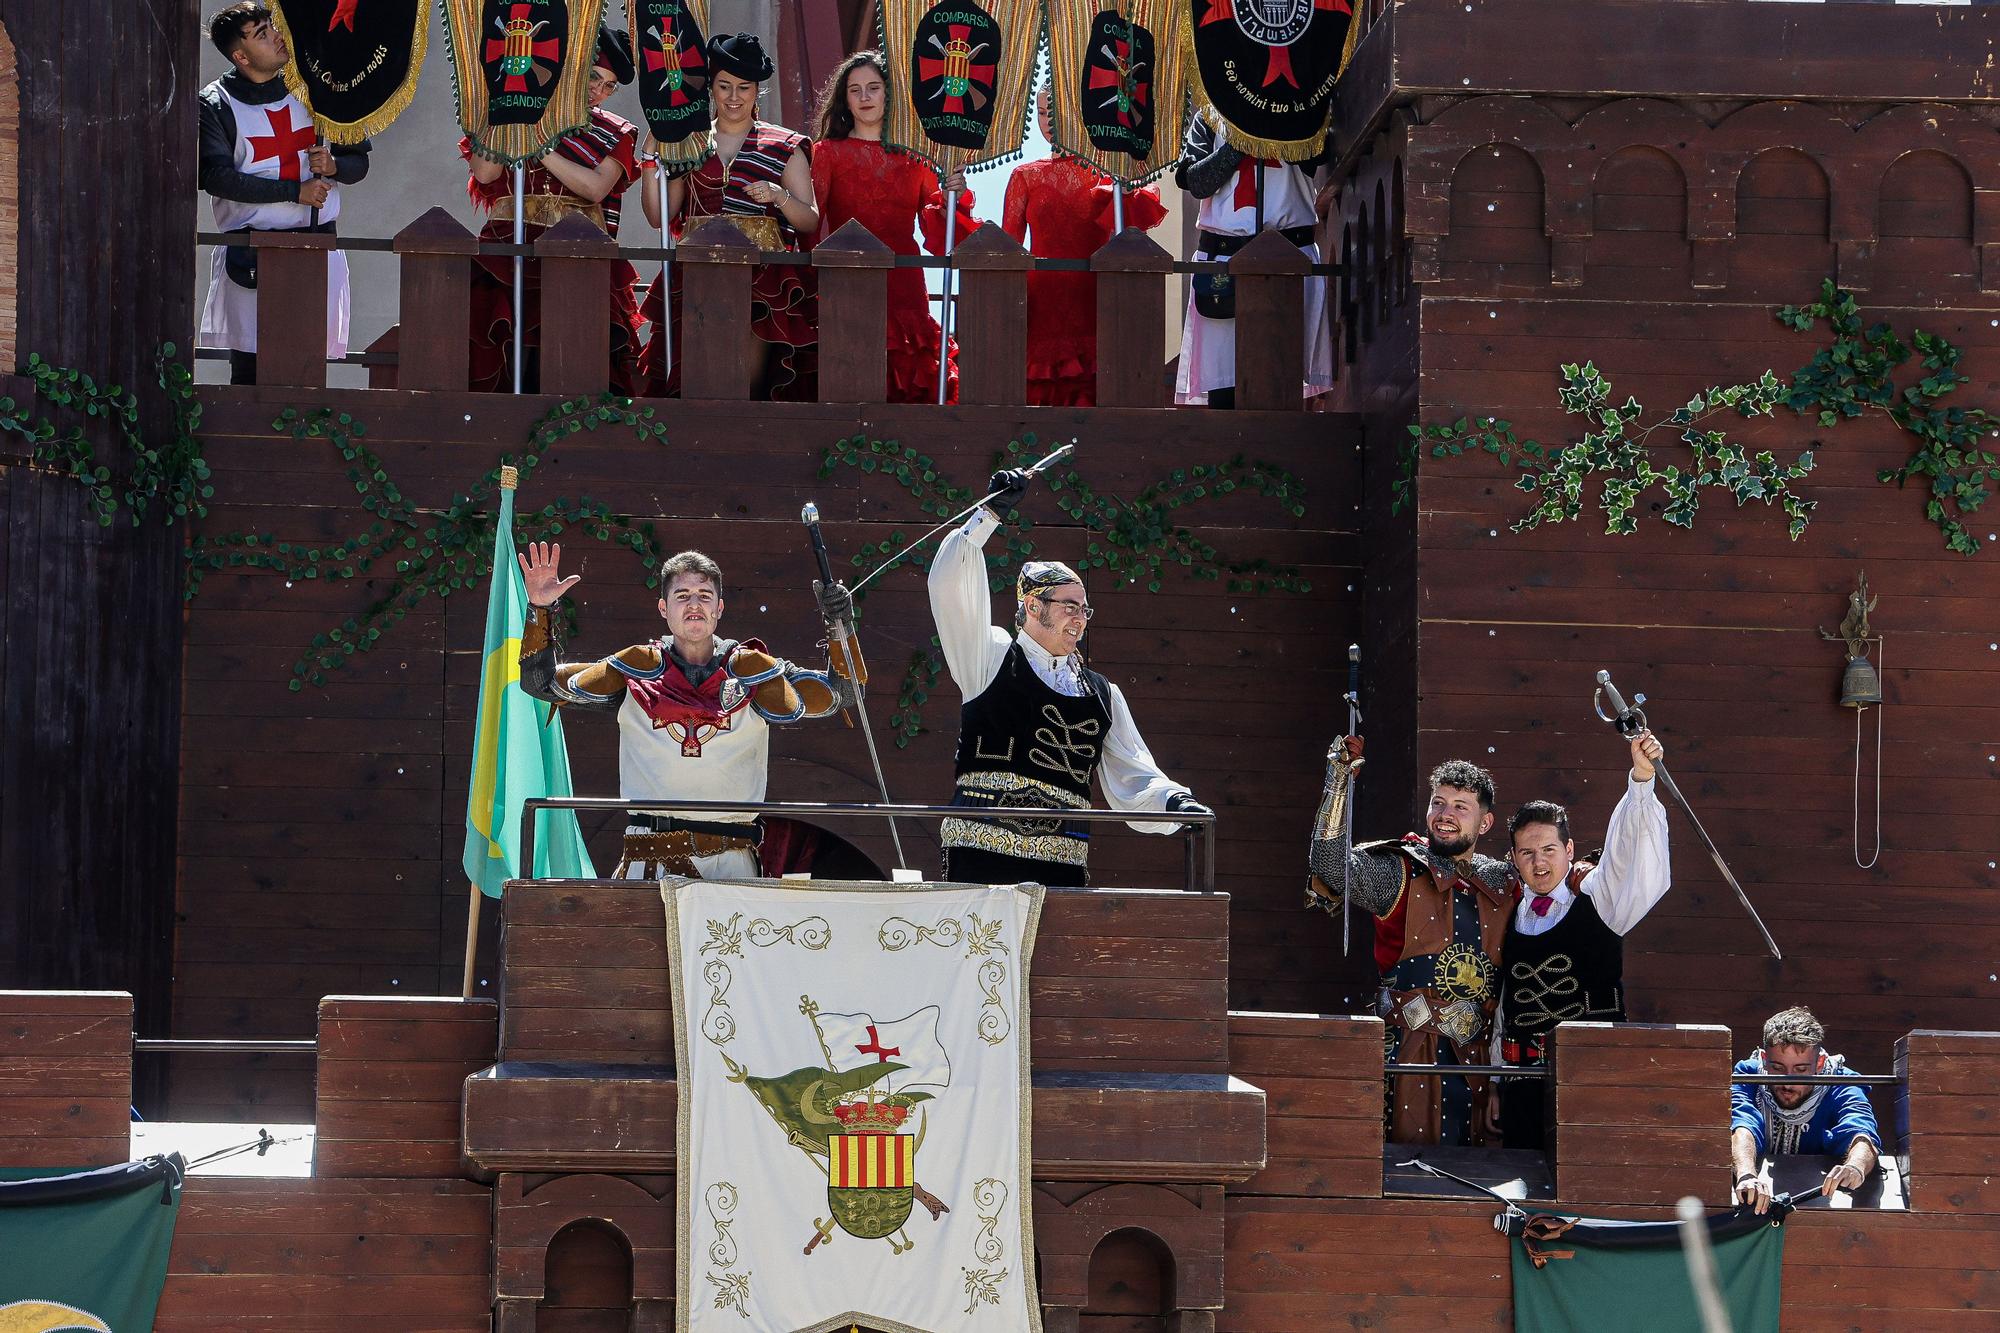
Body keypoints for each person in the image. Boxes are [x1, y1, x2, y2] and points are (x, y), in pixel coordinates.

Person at [927, 468, 1210, 887]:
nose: (1080, 618)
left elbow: (1134, 773)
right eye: (1069, 606)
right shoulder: (989, 656)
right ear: (1032, 605)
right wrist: (988, 514)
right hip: (980, 859)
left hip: (1063, 864)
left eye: (1084, 609)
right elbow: (949, 586)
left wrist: (1175, 802)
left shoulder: (1101, 693)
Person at [516, 543, 853, 879]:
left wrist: (841, 625)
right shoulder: (633, 672)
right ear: (664, 608)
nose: (694, 604)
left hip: (731, 865)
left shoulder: (756, 673)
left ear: (719, 608)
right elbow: (540, 683)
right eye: (682, 595)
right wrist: (540, 608)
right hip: (649, 862)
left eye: (705, 595)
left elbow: (842, 694)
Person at [1308, 742, 1513, 1146]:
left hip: (1481, 1060)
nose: (1445, 815)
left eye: (1460, 806)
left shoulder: (1505, 883)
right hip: (1405, 1052)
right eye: (1438, 803)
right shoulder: (1400, 869)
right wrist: (1338, 782)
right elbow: (1331, 867)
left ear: (1484, 823)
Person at [1490, 729, 1672, 1149]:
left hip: (1592, 1079)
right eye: (1527, 853)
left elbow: (1630, 857)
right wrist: (1497, 1080)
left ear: (1569, 848)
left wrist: (1641, 780)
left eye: (1549, 850)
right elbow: (1505, 1003)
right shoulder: (1506, 912)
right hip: (1524, 1084)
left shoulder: (1599, 897)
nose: (1539, 864)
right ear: (1514, 857)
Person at [639, 32, 819, 400]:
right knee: (691, 379)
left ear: (757, 91)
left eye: (744, 87)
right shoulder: (687, 142)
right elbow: (660, 217)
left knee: (744, 386)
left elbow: (810, 219)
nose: (734, 97)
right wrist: (649, 156)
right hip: (693, 272)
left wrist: (779, 196)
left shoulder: (784, 144)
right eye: (724, 86)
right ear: (711, 89)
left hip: (761, 280)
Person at [198, 2, 371, 386]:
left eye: (272, 27)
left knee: (308, 372)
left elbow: (358, 162)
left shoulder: (318, 87)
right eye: (262, 34)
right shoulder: (215, 104)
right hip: (250, 252)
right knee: (249, 372)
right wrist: (296, 191)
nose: (277, 36)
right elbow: (217, 178)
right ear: (240, 56)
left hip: (315, 245)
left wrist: (334, 165)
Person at [464, 26, 642, 394]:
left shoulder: (617, 131)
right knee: (504, 356)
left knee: (572, 362)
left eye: (609, 87)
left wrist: (541, 147)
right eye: (594, 78)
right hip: (508, 252)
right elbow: (485, 172)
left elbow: (594, 189)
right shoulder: (519, 109)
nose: (599, 92)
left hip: (576, 253)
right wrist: (506, 111)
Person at [809, 51, 976, 403]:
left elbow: (938, 232)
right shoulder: (826, 152)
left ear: (889, 94)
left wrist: (951, 195)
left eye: (873, 87)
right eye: (855, 90)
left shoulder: (916, 154)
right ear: (845, 99)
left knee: (910, 382)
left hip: (904, 282)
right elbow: (811, 225)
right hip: (845, 281)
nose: (865, 97)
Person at [1002, 86, 1167, 406]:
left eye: (1057, 111)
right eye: (1042, 112)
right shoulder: (1024, 176)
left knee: (1101, 399)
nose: (1048, 120)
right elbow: (1006, 251)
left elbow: (1136, 230)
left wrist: (1128, 180)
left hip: (1097, 301)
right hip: (1043, 307)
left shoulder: (1109, 171)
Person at [1172, 107, 1333, 407]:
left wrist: (1274, 116)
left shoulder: (1300, 108)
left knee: (1284, 374)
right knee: (1224, 381)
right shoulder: (1209, 117)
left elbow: (1316, 157)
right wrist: (1241, 138)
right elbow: (1195, 181)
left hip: (1290, 255)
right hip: (1223, 257)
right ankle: (1226, 450)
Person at [1731, 1007, 1881, 1215]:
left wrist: (1855, 1167)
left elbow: (1860, 1129)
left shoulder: (1843, 1081)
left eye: (1801, 1070)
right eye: (1777, 1068)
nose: (1788, 1082)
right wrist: (1747, 1174)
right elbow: (1743, 1124)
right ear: (1764, 1059)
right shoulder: (1746, 1074)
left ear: (1819, 1063)